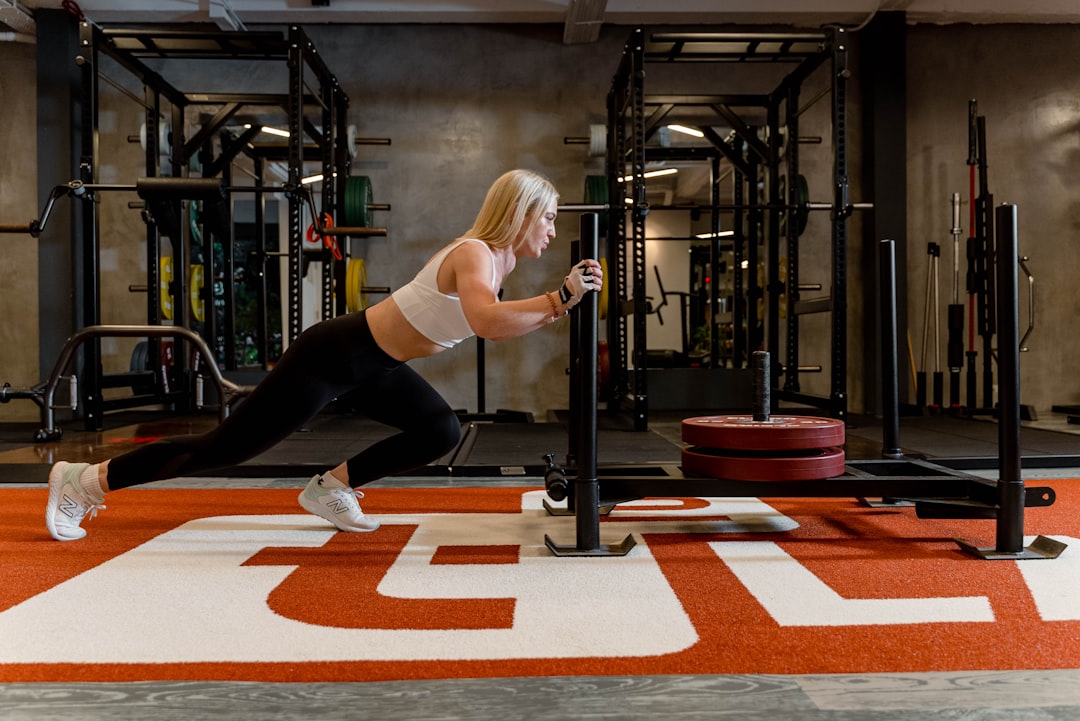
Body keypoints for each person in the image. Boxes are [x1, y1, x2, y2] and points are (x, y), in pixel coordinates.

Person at [45, 169, 602, 541]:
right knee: (228, 449)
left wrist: (560, 304)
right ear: (521, 213)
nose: (553, 230)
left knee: (438, 430)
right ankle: (84, 481)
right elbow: (485, 322)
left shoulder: (501, 264)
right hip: (335, 355)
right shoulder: (477, 254)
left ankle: (331, 488)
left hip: (376, 365)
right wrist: (561, 299)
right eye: (548, 217)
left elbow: (503, 321)